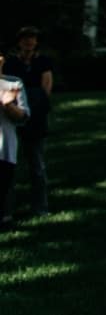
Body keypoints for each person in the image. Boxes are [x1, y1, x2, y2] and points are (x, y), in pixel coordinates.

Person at [3, 27, 52, 219]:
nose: (28, 42)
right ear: (19, 42)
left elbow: (46, 85)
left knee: (37, 164)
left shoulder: (43, 62)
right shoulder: (11, 63)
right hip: (12, 112)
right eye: (25, 39)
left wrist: (39, 107)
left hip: (36, 112)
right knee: (8, 165)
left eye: (32, 39)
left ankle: (40, 207)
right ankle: (7, 210)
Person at [0, 69, 25, 230]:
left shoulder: (13, 83)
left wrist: (8, 104)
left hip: (4, 148)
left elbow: (22, 117)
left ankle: (5, 219)